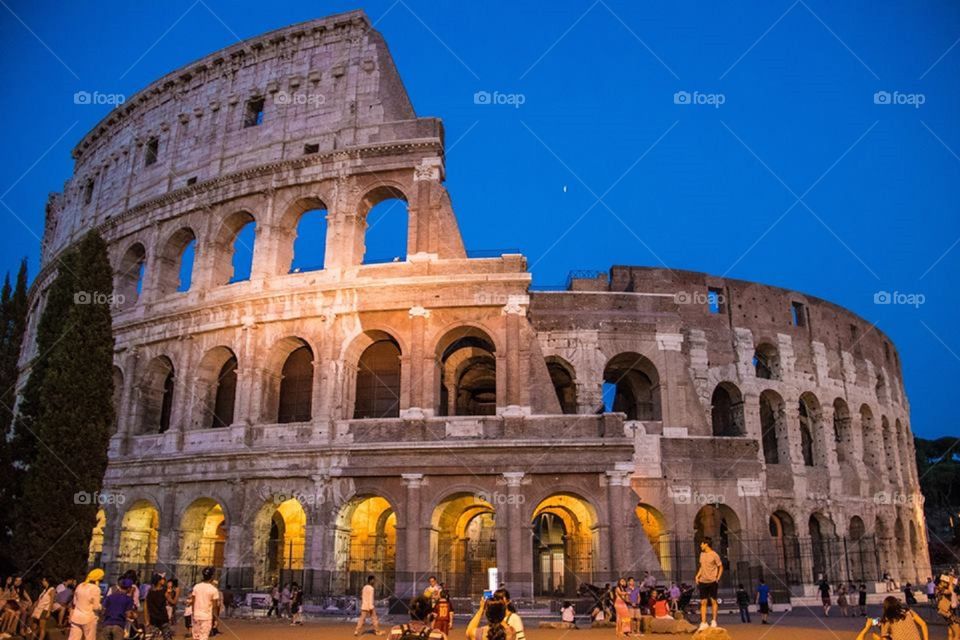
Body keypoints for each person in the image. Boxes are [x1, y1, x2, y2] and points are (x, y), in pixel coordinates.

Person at [855, 595, 928, 640]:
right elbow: (923, 624)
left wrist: (868, 628)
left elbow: (885, 638)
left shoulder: (887, 620)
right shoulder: (908, 612)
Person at [695, 537, 723, 630]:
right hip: (703, 581)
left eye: (702, 544)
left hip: (712, 581)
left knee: (713, 601)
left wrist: (717, 578)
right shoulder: (702, 554)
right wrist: (697, 576)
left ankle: (714, 621)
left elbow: (720, 567)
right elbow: (701, 567)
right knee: (703, 602)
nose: (700, 545)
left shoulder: (714, 555)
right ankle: (703, 622)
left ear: (706, 544)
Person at [68, 568, 104, 640]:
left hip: (76, 617)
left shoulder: (80, 585)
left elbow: (74, 602)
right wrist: (101, 606)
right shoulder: (96, 589)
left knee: (73, 638)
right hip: (89, 618)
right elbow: (95, 607)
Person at [188, 567, 221, 640]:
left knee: (196, 637)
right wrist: (215, 619)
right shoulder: (213, 590)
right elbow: (215, 606)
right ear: (212, 576)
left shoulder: (196, 587)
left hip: (196, 616)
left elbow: (193, 602)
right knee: (203, 637)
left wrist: (193, 614)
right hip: (206, 617)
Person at [145, 573, 173, 640]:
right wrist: (175, 593)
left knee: (152, 637)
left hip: (153, 619)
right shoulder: (164, 592)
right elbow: (172, 602)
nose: (164, 580)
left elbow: (146, 607)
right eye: (162, 579)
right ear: (159, 581)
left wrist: (146, 620)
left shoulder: (149, 593)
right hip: (163, 618)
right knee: (167, 637)